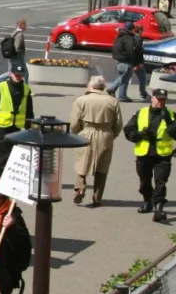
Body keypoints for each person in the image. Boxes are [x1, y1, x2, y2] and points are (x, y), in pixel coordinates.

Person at [68, 75, 121, 206]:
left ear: (91, 86)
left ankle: (80, 187)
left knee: (82, 162)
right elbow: (118, 123)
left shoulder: (81, 100)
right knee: (102, 166)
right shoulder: (113, 101)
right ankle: (97, 197)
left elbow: (75, 122)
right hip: (106, 133)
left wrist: (76, 133)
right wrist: (111, 135)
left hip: (86, 132)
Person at [124, 88, 175, 223]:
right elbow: (128, 130)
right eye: (158, 99)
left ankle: (159, 208)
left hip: (162, 155)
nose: (161, 102)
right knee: (144, 182)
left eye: (163, 99)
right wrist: (139, 135)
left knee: (161, 182)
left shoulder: (170, 114)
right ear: (152, 98)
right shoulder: (141, 113)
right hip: (144, 153)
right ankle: (148, 201)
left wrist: (170, 122)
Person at [0, 62, 32, 174]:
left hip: (16, 127)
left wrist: (29, 125)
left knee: (13, 155)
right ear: (10, 74)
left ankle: (8, 179)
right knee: (1, 156)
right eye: (16, 75)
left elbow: (29, 109)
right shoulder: (1, 87)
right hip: (2, 127)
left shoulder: (26, 89)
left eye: (20, 75)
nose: (18, 77)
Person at [109, 20, 150, 102]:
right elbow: (134, 52)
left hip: (120, 61)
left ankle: (113, 89)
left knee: (123, 78)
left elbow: (115, 48)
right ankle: (123, 95)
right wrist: (137, 63)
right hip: (130, 62)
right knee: (129, 79)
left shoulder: (119, 36)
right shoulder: (132, 37)